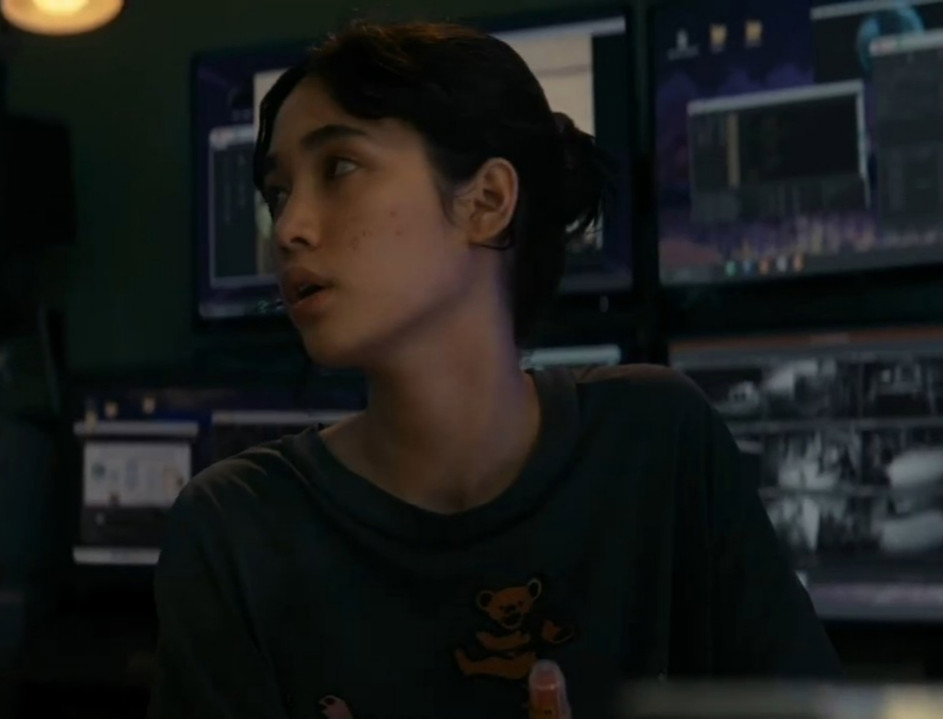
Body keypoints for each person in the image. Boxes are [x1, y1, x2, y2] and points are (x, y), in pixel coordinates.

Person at [149, 20, 841, 719]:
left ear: (485, 202)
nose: (289, 227)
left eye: (340, 168)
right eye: (277, 194)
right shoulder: (235, 528)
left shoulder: (658, 445)